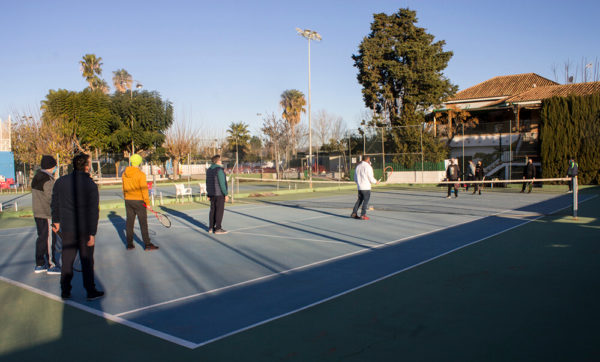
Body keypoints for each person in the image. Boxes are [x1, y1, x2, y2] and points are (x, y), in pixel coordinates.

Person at [51, 153, 104, 301]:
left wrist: (56, 221)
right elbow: (94, 211)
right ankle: (90, 290)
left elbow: (54, 203)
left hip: (67, 228)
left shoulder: (61, 182)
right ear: (86, 166)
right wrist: (92, 233)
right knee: (87, 260)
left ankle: (65, 290)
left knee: (67, 259)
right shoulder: (91, 185)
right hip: (85, 229)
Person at [122, 154, 159, 251]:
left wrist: (126, 197)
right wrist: (147, 203)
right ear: (139, 162)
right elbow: (144, 190)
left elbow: (124, 188)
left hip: (128, 200)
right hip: (139, 201)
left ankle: (129, 244)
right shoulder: (141, 174)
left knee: (129, 223)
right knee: (143, 223)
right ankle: (147, 244)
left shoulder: (124, 174)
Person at [32, 155, 61, 274]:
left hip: (38, 212)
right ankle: (51, 264)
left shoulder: (36, 177)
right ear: (51, 167)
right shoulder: (48, 180)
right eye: (54, 166)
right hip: (46, 213)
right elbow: (51, 198)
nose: (55, 169)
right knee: (48, 239)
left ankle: (40, 263)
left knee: (41, 238)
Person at [351, 156, 379, 220]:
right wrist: (375, 182)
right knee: (365, 201)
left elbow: (355, 178)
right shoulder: (368, 167)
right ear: (368, 159)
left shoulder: (358, 166)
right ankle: (363, 215)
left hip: (359, 187)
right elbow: (371, 177)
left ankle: (354, 213)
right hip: (366, 187)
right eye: (369, 159)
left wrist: (359, 183)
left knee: (359, 200)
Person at [206, 155, 229, 234]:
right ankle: (218, 228)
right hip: (219, 194)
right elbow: (222, 183)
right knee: (219, 211)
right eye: (220, 160)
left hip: (212, 194)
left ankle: (211, 228)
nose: (221, 161)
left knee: (212, 210)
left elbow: (207, 183)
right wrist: (225, 194)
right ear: (218, 161)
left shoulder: (208, 170)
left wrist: (208, 194)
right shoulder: (219, 170)